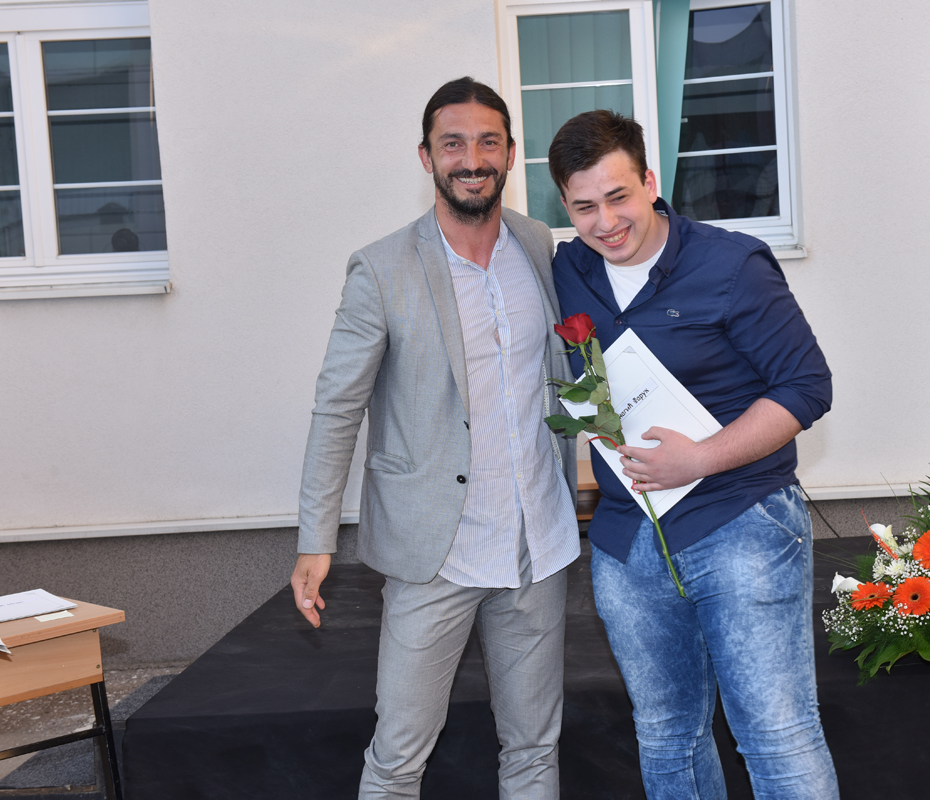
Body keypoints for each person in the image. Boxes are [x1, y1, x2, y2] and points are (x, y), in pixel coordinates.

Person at [290, 77, 580, 799]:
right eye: (453, 144)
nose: (471, 159)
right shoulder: (381, 268)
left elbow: (560, 374)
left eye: (487, 142)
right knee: (397, 760)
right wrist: (315, 539)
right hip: (435, 554)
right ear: (426, 157)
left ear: (509, 153)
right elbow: (337, 407)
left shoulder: (537, 245)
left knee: (535, 750)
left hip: (537, 544)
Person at [547, 110, 839, 800]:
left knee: (776, 736)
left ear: (650, 182)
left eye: (618, 196)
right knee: (666, 737)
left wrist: (700, 458)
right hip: (627, 540)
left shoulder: (731, 264)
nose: (605, 223)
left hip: (739, 523)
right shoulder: (566, 270)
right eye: (584, 207)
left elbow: (807, 386)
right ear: (564, 206)